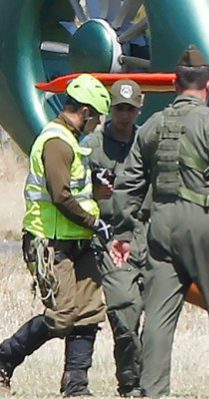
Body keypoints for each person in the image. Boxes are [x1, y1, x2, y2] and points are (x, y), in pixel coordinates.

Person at [110, 45, 209, 396]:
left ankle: (151, 389)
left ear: (174, 83)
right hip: (205, 224)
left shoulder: (152, 124)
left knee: (158, 320)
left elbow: (128, 184)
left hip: (161, 226)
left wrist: (122, 232)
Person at [0, 74, 111, 396]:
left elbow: (74, 188)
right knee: (63, 316)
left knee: (89, 312)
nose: (98, 124)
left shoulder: (71, 142)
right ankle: (5, 357)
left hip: (78, 241)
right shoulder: (57, 142)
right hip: (50, 242)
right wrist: (95, 222)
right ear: (87, 112)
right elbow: (61, 196)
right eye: (98, 117)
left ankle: (76, 386)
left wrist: (95, 186)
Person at [81, 79, 147, 397]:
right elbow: (69, 192)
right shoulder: (91, 146)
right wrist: (93, 191)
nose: (124, 115)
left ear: (139, 110)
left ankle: (147, 379)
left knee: (156, 316)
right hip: (108, 237)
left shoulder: (146, 143)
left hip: (145, 236)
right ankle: (130, 380)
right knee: (124, 308)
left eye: (130, 109)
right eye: (119, 108)